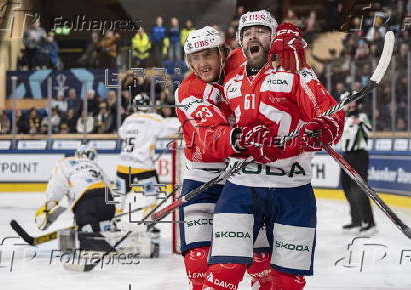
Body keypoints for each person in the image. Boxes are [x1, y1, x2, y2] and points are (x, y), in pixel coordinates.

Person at [202, 10, 345, 290]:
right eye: (247, 32)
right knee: (223, 272)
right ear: (241, 43)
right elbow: (214, 134)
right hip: (242, 186)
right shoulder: (230, 84)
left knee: (287, 281)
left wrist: (320, 129)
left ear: (274, 37)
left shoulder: (295, 75)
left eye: (261, 31)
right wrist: (239, 139)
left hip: (292, 190)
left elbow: (329, 116)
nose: (253, 36)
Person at [175, 26, 277, 290]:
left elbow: (277, 73)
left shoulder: (243, 64)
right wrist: (243, 139)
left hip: (245, 178)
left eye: (207, 55)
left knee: (262, 263)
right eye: (195, 58)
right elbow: (210, 138)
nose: (201, 64)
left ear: (222, 53)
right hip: (203, 179)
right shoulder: (188, 91)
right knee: (198, 262)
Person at [35, 145, 115, 251]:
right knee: (101, 225)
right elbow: (108, 185)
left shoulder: (65, 162)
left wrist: (46, 208)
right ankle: (108, 232)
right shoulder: (95, 166)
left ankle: (96, 245)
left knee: (85, 231)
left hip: (87, 202)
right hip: (107, 201)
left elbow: (56, 188)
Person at [115, 93, 178, 218]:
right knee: (151, 194)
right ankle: (149, 220)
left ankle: (114, 221)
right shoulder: (153, 119)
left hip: (123, 163)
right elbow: (174, 125)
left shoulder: (128, 119)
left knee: (120, 194)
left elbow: (121, 134)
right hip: (143, 165)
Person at [340, 100, 376, 235]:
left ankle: (369, 223)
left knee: (359, 189)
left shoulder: (361, 117)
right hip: (346, 156)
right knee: (347, 189)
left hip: (359, 156)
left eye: (350, 103)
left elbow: (368, 129)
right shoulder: (343, 119)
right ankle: (356, 221)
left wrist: (358, 121)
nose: (348, 106)